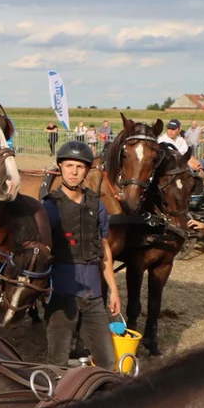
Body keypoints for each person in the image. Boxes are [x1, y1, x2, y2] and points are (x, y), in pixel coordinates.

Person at [43, 141, 125, 363]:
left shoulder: (97, 206)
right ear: (60, 168)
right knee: (58, 361)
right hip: (61, 293)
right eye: (69, 165)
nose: (74, 172)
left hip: (94, 296)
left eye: (79, 167)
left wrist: (114, 291)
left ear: (87, 171)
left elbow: (104, 248)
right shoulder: (49, 207)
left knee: (108, 362)